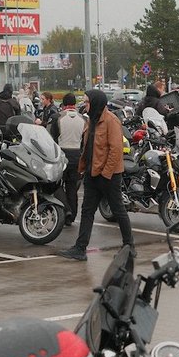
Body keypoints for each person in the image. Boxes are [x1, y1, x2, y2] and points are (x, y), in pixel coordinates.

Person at [57, 89, 133, 261]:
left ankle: (129, 246)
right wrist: (84, 168)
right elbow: (88, 146)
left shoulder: (111, 121)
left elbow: (116, 150)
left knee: (118, 210)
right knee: (87, 211)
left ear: (97, 103)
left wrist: (106, 174)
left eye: (87, 102)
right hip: (92, 172)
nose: (85, 105)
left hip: (109, 175)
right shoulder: (91, 120)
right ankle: (80, 248)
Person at [50, 92, 86, 226]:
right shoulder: (83, 119)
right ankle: (71, 217)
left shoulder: (57, 117)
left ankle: (66, 209)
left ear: (63, 104)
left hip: (61, 155)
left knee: (54, 185)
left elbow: (52, 139)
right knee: (72, 188)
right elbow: (84, 141)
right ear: (75, 104)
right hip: (77, 156)